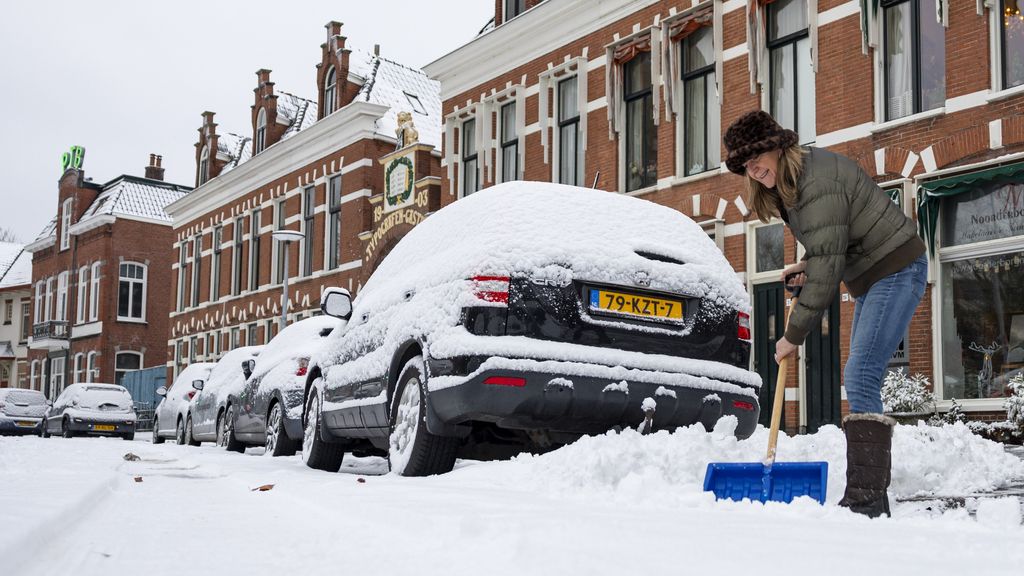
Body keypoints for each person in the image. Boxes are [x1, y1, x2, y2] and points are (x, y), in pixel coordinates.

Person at [723, 110, 928, 518]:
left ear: (778, 147)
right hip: (875, 274)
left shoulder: (815, 182)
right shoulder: (795, 182)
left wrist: (792, 336)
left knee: (860, 374)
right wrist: (807, 263)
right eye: (745, 164)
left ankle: (867, 500)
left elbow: (829, 266)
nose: (753, 168)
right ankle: (869, 496)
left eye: (756, 157)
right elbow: (826, 245)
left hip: (895, 268)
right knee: (861, 374)